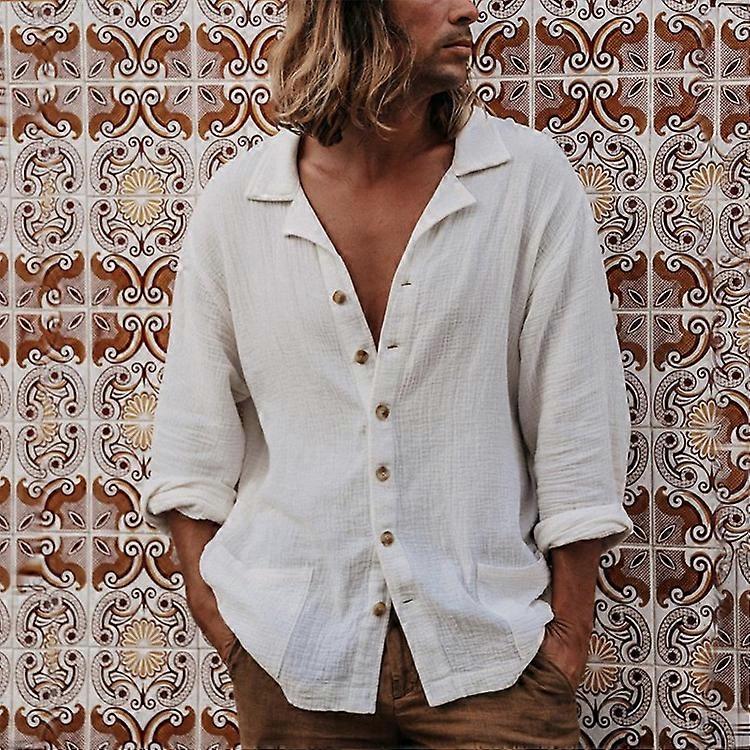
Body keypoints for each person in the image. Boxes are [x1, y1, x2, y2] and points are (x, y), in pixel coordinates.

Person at [140, 0, 634, 748]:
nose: (470, 10)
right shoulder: (239, 205)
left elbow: (576, 418)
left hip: (493, 661)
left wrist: (566, 639)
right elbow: (191, 440)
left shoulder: (525, 182)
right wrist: (227, 631)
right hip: (293, 663)